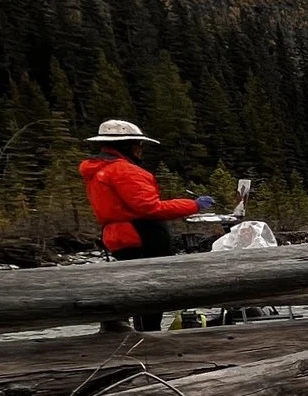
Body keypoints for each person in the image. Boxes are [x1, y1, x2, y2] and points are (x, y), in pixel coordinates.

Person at [79, 119, 212, 332]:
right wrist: (193, 205)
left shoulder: (98, 171)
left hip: (117, 236)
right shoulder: (125, 170)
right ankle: (148, 337)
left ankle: (127, 331)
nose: (141, 149)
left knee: (133, 287)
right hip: (142, 233)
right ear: (127, 145)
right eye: (138, 144)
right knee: (152, 289)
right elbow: (150, 208)